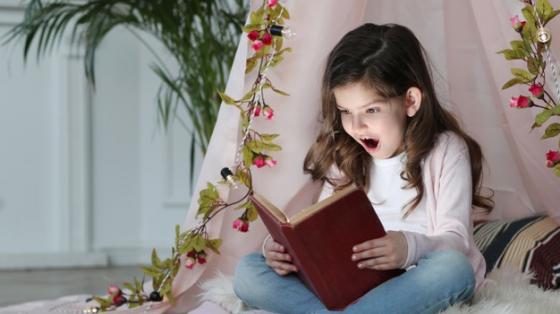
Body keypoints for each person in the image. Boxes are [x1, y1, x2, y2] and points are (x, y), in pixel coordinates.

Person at [233, 23, 494, 314]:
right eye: (346, 112)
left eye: (371, 110)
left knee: (454, 269)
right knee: (249, 269)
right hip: (351, 286)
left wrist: (408, 248)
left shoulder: (446, 150)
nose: (356, 127)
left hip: (414, 282)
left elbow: (456, 242)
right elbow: (321, 232)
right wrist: (283, 251)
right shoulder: (345, 157)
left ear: (410, 101)